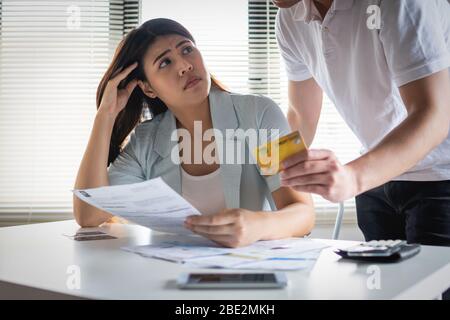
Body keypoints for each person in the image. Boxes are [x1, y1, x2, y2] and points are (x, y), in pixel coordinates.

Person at [73, 18, 315, 248]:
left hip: (250, 274)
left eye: (186, 49)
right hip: (172, 279)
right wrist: (105, 117)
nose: (184, 65)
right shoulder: (144, 141)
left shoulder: (262, 113)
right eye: (165, 62)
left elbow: (304, 213)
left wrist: (257, 226)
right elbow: (89, 214)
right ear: (148, 88)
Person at [273, 0, 450, 245]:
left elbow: (434, 115)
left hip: (441, 179)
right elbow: (301, 114)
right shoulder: (290, 18)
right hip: (374, 183)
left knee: (435, 284)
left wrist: (352, 178)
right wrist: (261, 170)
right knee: (386, 283)